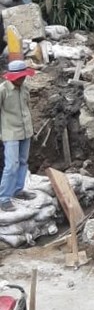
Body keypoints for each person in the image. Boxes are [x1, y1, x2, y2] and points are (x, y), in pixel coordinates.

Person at [0, 61, 36, 212]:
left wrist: (30, 128)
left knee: (23, 161)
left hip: (25, 131)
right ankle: (4, 198)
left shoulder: (25, 88)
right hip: (10, 133)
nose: (21, 80)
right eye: (19, 77)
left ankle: (18, 190)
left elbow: (27, 107)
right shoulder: (3, 90)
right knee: (11, 165)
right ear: (11, 76)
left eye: (23, 77)